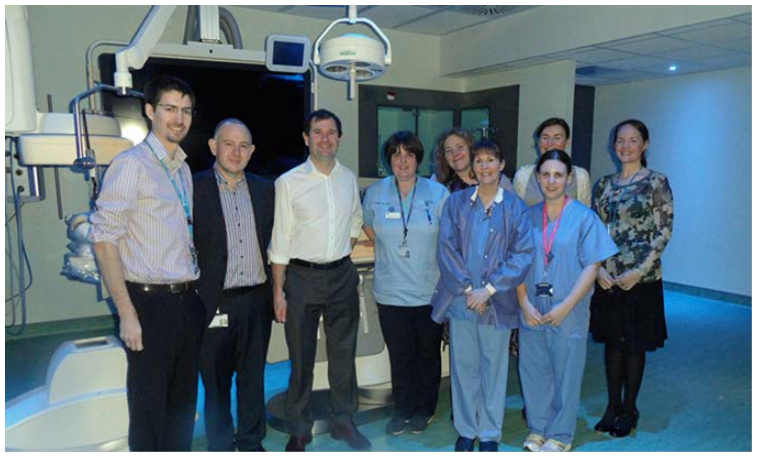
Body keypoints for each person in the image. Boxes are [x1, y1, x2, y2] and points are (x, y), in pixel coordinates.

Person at [90, 76, 204, 451]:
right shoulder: (131, 165)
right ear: (150, 111)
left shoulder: (182, 169)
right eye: (170, 109)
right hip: (149, 303)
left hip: (186, 300)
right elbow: (104, 240)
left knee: (182, 405)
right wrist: (127, 313)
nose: (179, 118)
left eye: (186, 111)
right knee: (150, 406)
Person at [268, 109, 370, 452]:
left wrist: (341, 250)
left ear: (339, 138)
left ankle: (344, 421)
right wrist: (278, 292)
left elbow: (355, 219)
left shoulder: (347, 178)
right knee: (301, 358)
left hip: (341, 276)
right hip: (301, 278)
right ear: (306, 138)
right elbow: (280, 241)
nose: (325, 139)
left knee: (344, 355)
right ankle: (299, 428)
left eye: (331, 132)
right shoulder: (288, 182)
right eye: (318, 132)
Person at [431, 140, 533, 452]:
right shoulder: (457, 203)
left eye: (491, 160)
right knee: (464, 368)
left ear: (502, 165)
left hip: (497, 302)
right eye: (479, 161)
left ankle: (489, 434)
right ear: (472, 167)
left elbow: (522, 254)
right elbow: (447, 249)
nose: (484, 166)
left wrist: (487, 289)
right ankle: (466, 430)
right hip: (461, 301)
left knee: (494, 369)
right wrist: (467, 290)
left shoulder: (515, 207)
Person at [517, 150, 618, 453]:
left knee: (567, 372)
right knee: (534, 371)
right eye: (546, 174)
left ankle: (561, 434)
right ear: (537, 178)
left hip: (568, 308)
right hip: (532, 307)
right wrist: (523, 302)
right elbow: (517, 262)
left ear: (568, 178)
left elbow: (592, 266)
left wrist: (567, 306)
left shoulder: (584, 218)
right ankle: (538, 429)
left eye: (558, 175)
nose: (551, 181)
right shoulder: (527, 217)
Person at [193, 119, 275, 452]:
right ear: (214, 146)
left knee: (253, 378)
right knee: (216, 383)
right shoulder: (193, 188)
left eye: (243, 146)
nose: (236, 152)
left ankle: (251, 441)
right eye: (228, 144)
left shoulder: (265, 190)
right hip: (213, 302)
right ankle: (221, 445)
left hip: (256, 300)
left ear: (252, 151)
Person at [590, 119, 674, 438]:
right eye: (620, 140)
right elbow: (594, 230)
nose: (625, 146)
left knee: (634, 344)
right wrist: (598, 269)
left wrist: (638, 271)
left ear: (645, 144)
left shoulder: (656, 182)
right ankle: (612, 406)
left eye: (633, 140)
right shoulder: (603, 185)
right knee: (613, 344)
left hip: (642, 278)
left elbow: (664, 230)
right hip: (608, 278)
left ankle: (630, 408)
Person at [362, 131, 450, 436]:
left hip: (429, 291)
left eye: (409, 154)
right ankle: (402, 408)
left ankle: (425, 408)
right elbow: (367, 224)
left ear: (418, 159)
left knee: (427, 353)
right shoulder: (375, 192)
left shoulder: (438, 193)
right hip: (390, 291)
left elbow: (449, 236)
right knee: (399, 355)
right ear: (389, 160)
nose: (402, 161)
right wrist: (389, 246)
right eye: (396, 154)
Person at [513, 118, 591, 207]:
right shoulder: (523, 176)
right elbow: (515, 212)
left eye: (557, 138)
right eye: (545, 137)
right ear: (538, 142)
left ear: (567, 141)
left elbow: (586, 212)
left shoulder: (581, 176)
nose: (550, 143)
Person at [431, 128, 514, 193]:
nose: (455, 154)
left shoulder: (498, 179)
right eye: (448, 150)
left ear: (471, 149)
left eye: (460, 147)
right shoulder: (437, 181)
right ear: (444, 156)